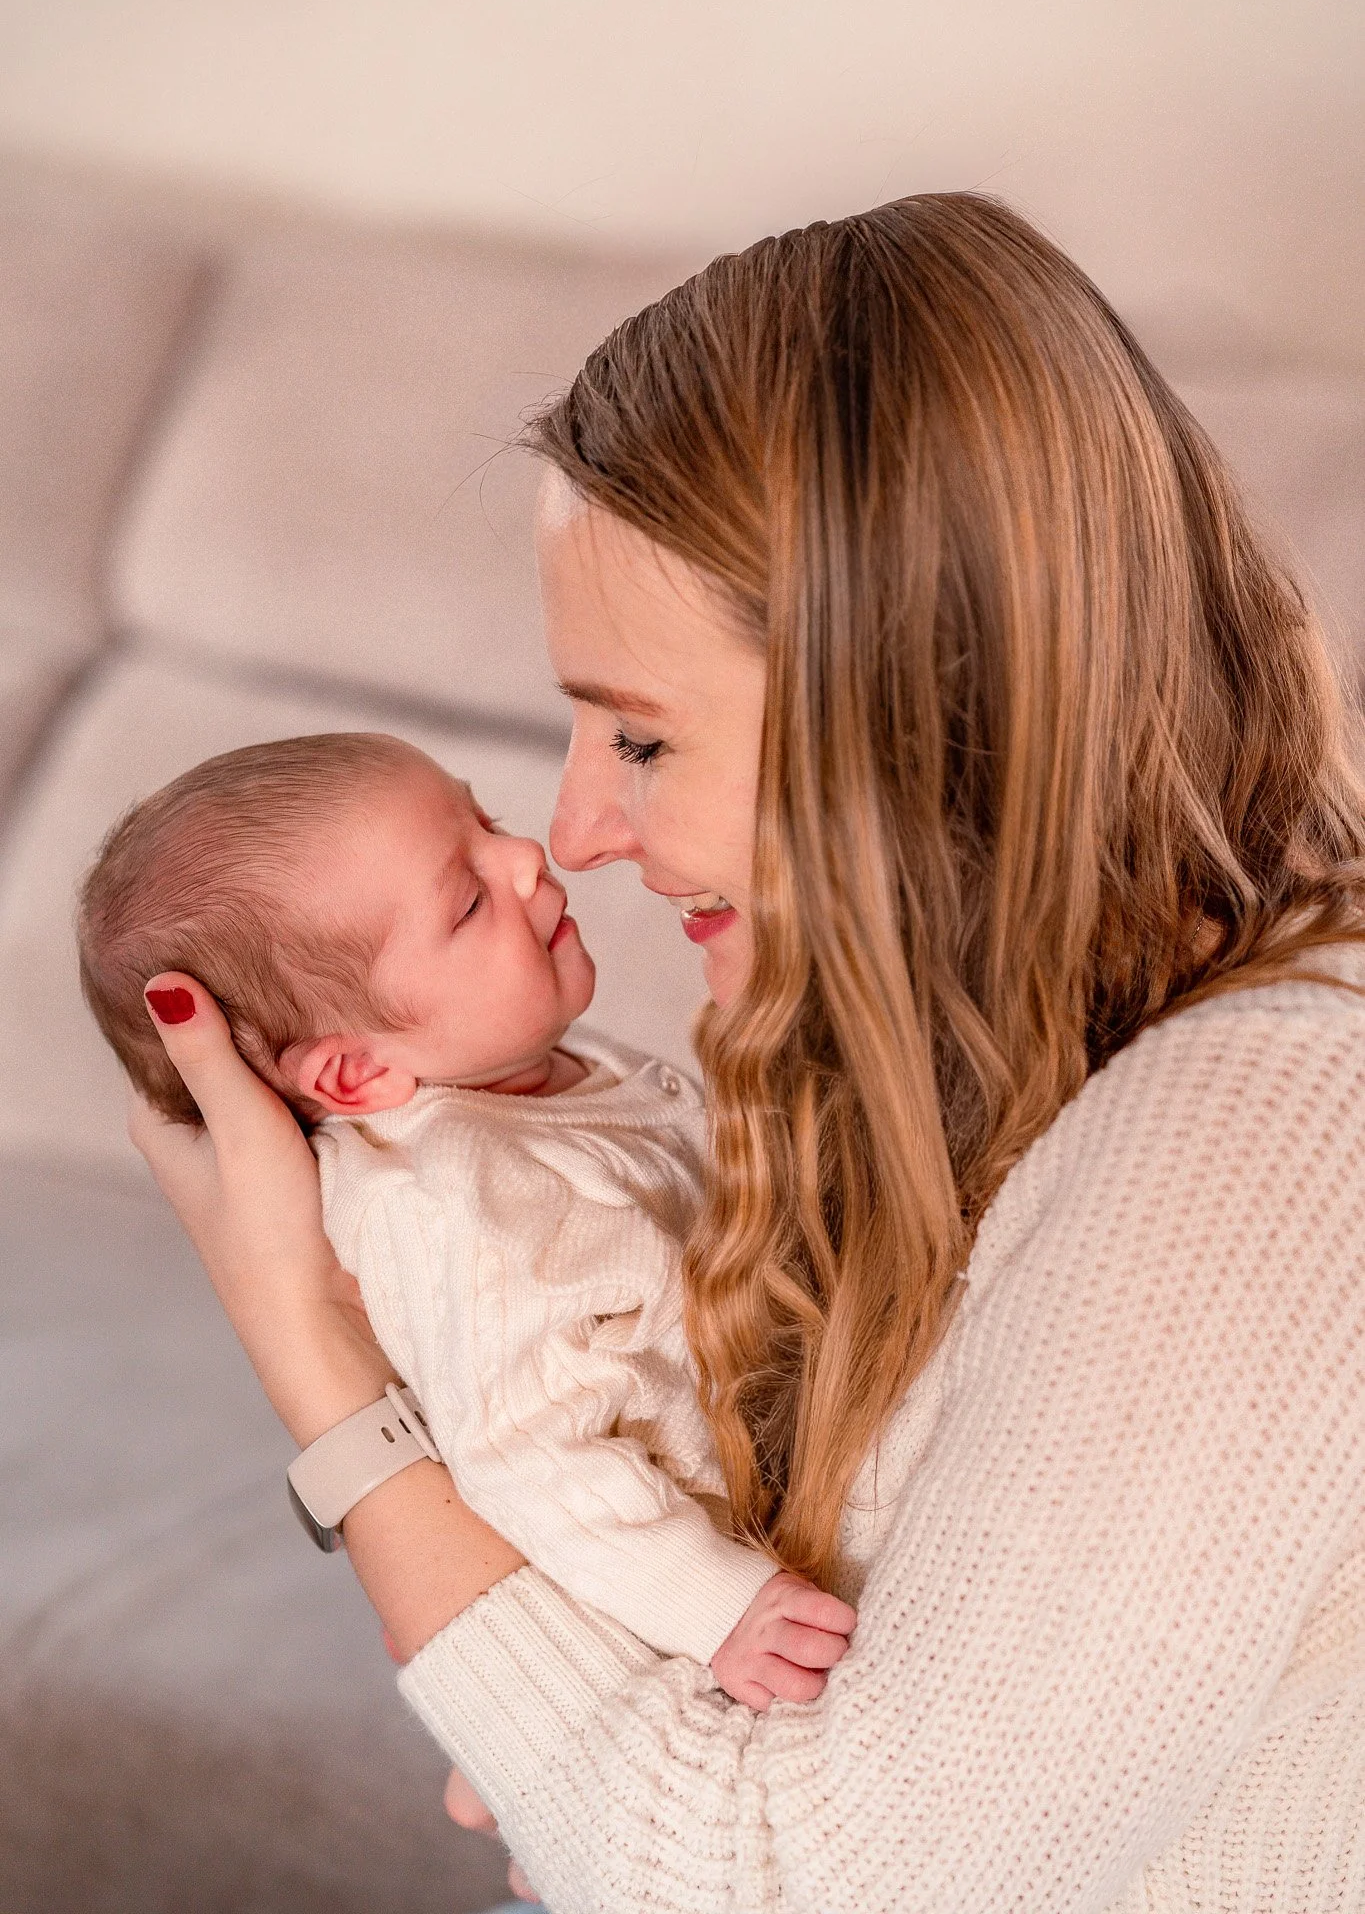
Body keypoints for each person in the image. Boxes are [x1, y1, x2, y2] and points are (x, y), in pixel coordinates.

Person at [129, 193, 1365, 1913]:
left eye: (638, 737)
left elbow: (777, 1883)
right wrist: (579, 1747)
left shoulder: (1266, 1136)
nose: (574, 830)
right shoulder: (930, 1057)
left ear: (913, 711)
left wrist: (312, 1353)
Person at [76, 731, 852, 1704]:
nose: (525, 855)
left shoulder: (527, 1064)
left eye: (485, 819)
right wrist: (716, 1605)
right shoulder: (457, 1202)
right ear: (355, 1072)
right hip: (666, 1597)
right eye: (468, 900)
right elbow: (524, 1453)